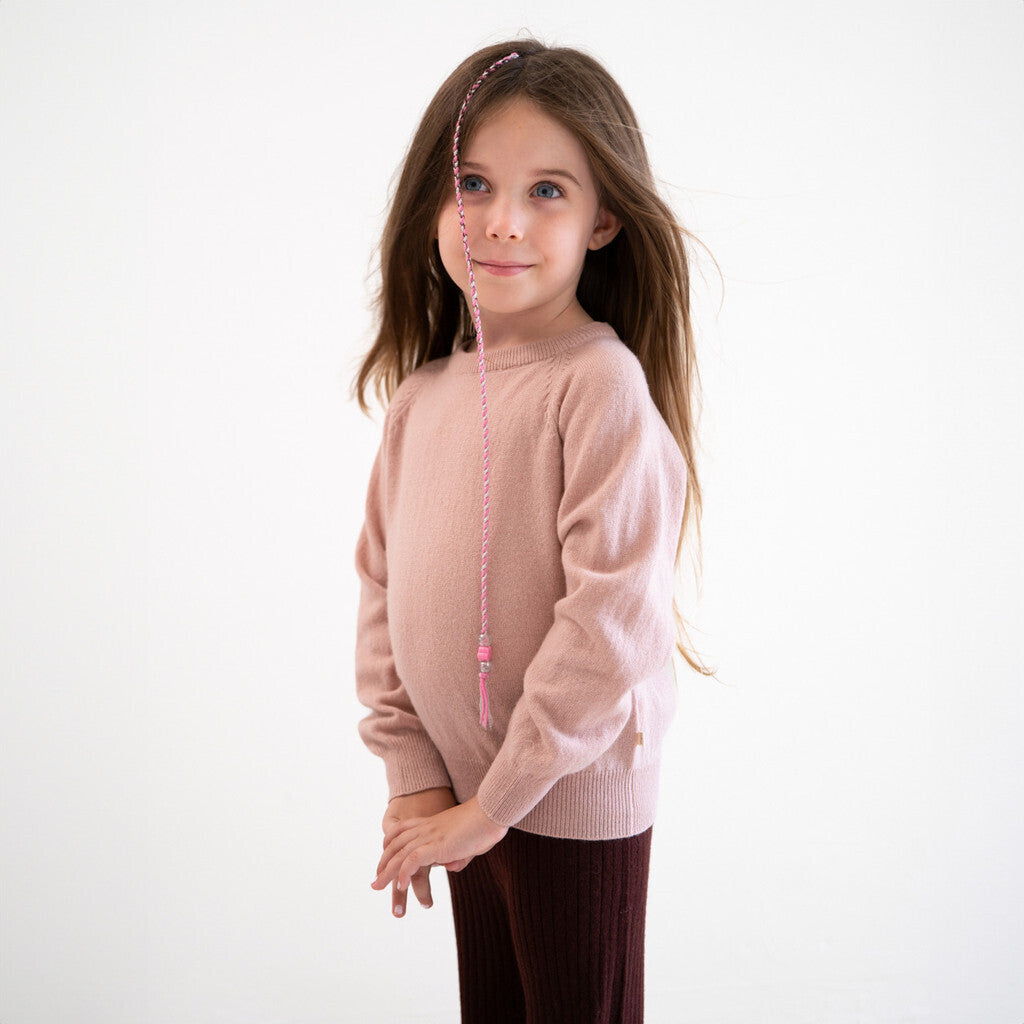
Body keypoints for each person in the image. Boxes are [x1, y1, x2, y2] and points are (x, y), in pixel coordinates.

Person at [352, 37, 713, 1024]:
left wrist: (493, 803)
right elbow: (382, 589)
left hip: (566, 797)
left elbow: (608, 622)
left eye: (547, 190)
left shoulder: (597, 385)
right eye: (472, 183)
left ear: (604, 219)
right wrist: (415, 780)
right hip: (468, 800)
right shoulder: (421, 400)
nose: (502, 221)